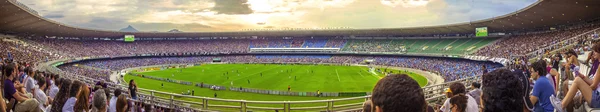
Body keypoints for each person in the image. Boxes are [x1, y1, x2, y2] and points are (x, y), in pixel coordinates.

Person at [550, 43, 600, 111]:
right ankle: (562, 105)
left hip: (597, 99)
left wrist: (582, 92)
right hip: (597, 96)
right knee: (577, 80)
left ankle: (562, 106)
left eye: (595, 51)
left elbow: (594, 86)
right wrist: (582, 76)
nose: (593, 53)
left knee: (576, 81)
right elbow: (593, 82)